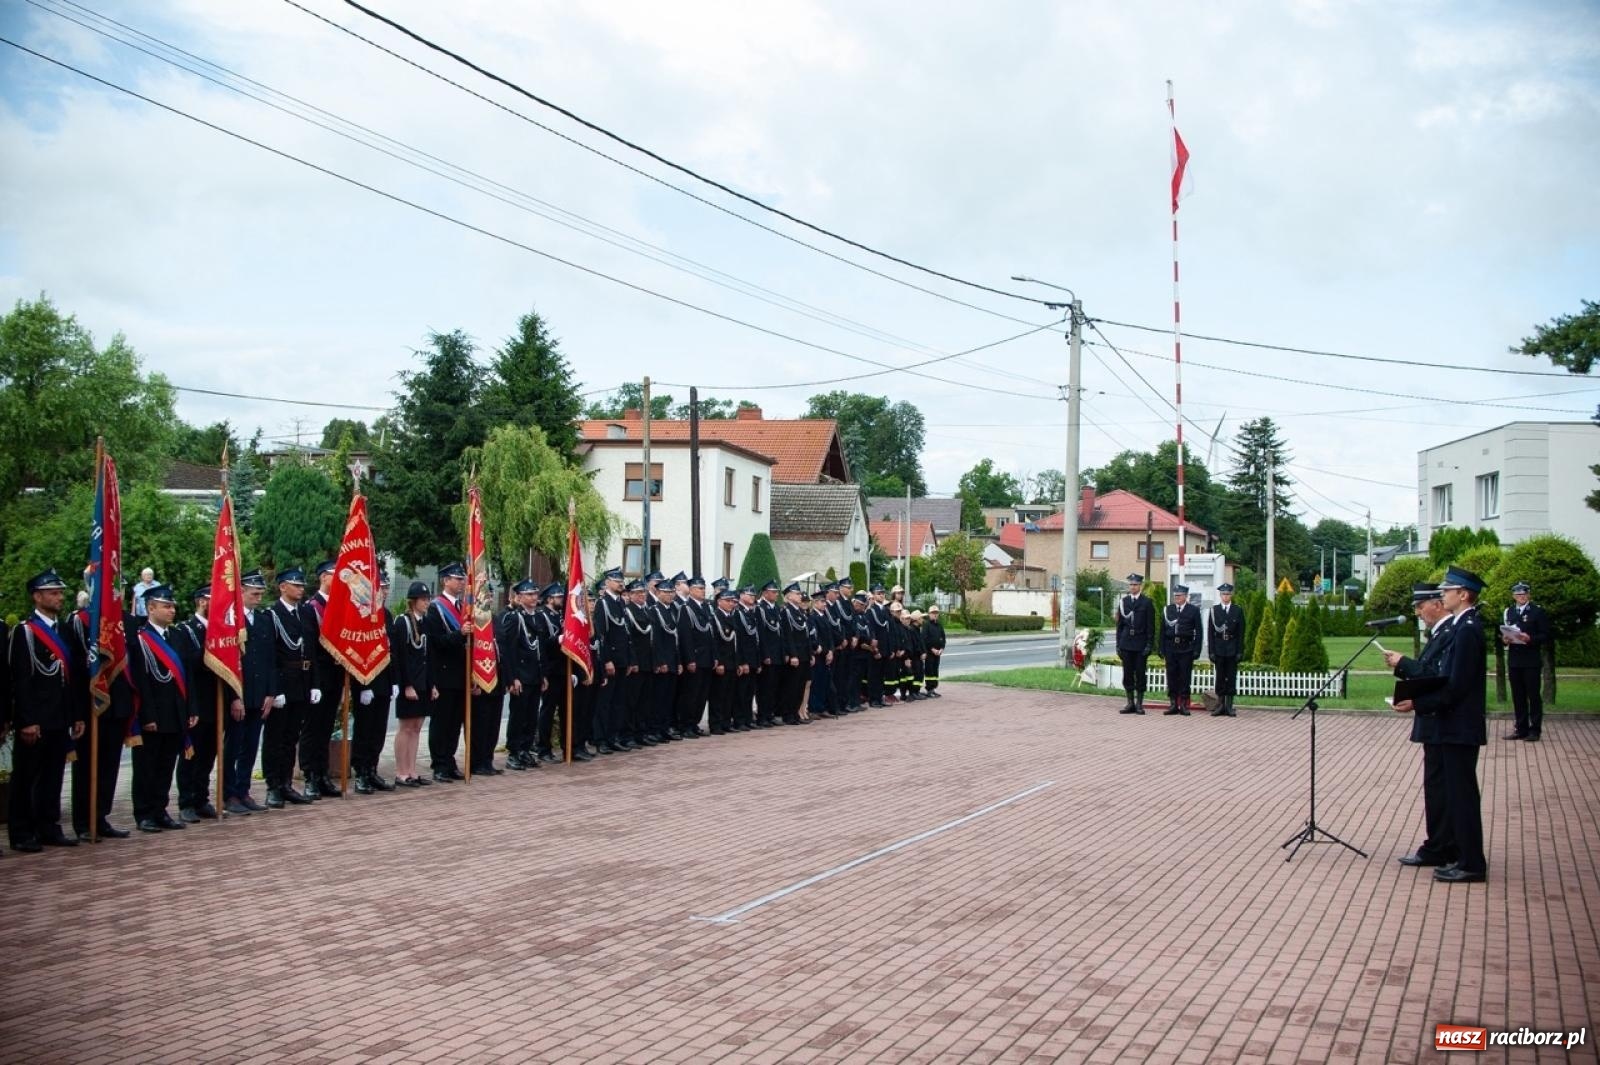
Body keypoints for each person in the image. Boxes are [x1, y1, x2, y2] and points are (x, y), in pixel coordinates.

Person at [1393, 566, 1489, 884]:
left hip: (1459, 727)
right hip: (1451, 725)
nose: (1442, 594)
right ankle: (1453, 851)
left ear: (1463, 595)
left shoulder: (1468, 629)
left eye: (1447, 590)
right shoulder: (1462, 627)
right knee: (1450, 791)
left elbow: (1456, 686)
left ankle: (1471, 861)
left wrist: (1418, 703)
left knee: (1462, 795)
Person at [7, 569, 87, 852]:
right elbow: (21, 680)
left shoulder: (63, 630)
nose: (59, 597)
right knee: (26, 776)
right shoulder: (25, 632)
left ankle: (48, 826)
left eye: (61, 592)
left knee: (53, 776)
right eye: (53, 592)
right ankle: (21, 831)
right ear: (37, 596)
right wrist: (27, 720)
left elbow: (74, 676)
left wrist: (77, 714)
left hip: (60, 716)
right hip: (36, 719)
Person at [1384, 582, 1457, 871]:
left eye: (1420, 606)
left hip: (1442, 720)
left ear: (1437, 604)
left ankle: (1443, 846)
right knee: (1435, 787)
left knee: (1442, 788)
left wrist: (1403, 664)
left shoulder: (1451, 632)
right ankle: (1437, 843)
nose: (1417, 612)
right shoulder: (1441, 632)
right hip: (1433, 720)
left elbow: (1435, 676)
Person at [127, 584, 197, 833]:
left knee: (166, 765)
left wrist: (191, 709)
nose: (172, 610)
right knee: (147, 766)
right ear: (151, 608)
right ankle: (144, 813)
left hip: (176, 712)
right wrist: (146, 715)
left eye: (173, 606)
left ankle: (160, 809)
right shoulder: (140, 638)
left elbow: (187, 675)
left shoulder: (176, 636)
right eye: (166, 606)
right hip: (153, 713)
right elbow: (140, 681)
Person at [67, 581, 133, 840]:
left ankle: (101, 816)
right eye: (113, 587)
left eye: (121, 588)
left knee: (109, 765)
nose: (118, 592)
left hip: (117, 703)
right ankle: (84, 822)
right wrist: (77, 712)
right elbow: (76, 668)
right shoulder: (80, 621)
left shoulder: (124, 621)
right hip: (91, 703)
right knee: (86, 766)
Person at [224, 569, 275, 814]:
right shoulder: (231, 620)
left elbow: (269, 659)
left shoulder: (263, 619)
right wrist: (234, 696)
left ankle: (243, 790)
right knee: (233, 746)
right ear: (241, 591)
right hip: (240, 695)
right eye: (254, 593)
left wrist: (270, 693)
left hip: (259, 694)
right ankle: (229, 793)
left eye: (261, 593)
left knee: (251, 746)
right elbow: (228, 662)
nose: (259, 596)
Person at [263, 568, 316, 807]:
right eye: (295, 585)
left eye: (302, 585)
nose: (301, 589)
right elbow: (271, 656)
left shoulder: (304, 613)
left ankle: (286, 783)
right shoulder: (271, 615)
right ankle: (273, 785)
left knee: (292, 736)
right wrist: (275, 690)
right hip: (284, 680)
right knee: (276, 737)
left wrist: (314, 683)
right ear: (282, 587)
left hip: (302, 680)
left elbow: (311, 648)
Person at [173, 585, 221, 822]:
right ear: (203, 602)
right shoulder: (185, 630)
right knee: (191, 754)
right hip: (196, 701)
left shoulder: (222, 630)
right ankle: (186, 801)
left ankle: (201, 798)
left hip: (216, 701)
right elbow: (186, 665)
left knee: (209, 754)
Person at [298, 560, 342, 799]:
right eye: (334, 575)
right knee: (312, 728)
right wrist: (313, 682)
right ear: (323, 577)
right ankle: (309, 775)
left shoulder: (340, 606)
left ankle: (322, 773)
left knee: (326, 726)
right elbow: (311, 649)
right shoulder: (311, 608)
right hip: (319, 674)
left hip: (336, 674)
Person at [351, 572, 397, 794]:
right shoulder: (362, 615)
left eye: (386, 588)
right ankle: (360, 771)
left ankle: (372, 769)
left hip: (385, 680)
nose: (384, 592)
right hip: (367, 681)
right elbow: (359, 652)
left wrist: (395, 681)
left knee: (379, 730)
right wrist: (363, 686)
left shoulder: (386, 614)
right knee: (364, 729)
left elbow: (392, 650)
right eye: (381, 588)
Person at [426, 562, 470, 782]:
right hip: (444, 673)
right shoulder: (436, 608)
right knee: (441, 721)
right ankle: (439, 763)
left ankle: (450, 759)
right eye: (457, 578)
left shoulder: (464, 607)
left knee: (455, 722)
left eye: (462, 579)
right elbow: (436, 643)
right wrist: (460, 635)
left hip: (461, 673)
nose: (461, 582)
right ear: (445, 580)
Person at [390, 581, 437, 787]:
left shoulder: (425, 623)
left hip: (423, 682)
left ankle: (412, 770)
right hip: (409, 682)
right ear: (413, 601)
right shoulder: (403, 622)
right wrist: (406, 684)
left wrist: (432, 684)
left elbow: (429, 655)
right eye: (423, 599)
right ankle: (401, 772)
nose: (427, 603)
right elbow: (399, 656)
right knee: (406, 727)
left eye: (428, 599)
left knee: (417, 727)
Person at [501, 580, 545, 770]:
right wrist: (513, 678)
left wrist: (543, 675)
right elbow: (509, 651)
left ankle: (525, 749)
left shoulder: (537, 618)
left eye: (535, 594)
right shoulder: (514, 618)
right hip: (521, 674)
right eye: (529, 594)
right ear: (519, 597)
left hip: (535, 674)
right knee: (518, 715)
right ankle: (514, 751)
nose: (533, 598)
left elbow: (539, 650)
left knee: (531, 715)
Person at [1502, 580, 1550, 741]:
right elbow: (1505, 630)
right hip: (1515, 659)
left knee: (1533, 695)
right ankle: (1521, 728)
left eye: (1524, 594)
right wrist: (1505, 639)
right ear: (1513, 596)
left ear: (1528, 595)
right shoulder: (1509, 612)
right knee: (1518, 695)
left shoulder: (1537, 612)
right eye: (1518, 594)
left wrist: (1530, 638)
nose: (1521, 596)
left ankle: (1535, 729)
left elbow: (1545, 635)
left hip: (1530, 659)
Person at [647, 575, 682, 744]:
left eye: (672, 592)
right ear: (658, 593)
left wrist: (679, 661)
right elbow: (656, 640)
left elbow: (677, 640)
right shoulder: (654, 611)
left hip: (674, 661)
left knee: (669, 698)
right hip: (663, 662)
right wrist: (660, 662)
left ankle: (665, 727)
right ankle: (656, 729)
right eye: (666, 592)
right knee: (658, 699)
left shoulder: (673, 610)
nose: (670, 595)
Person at [1115, 574, 1156, 714]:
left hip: (1140, 644)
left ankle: (1139, 703)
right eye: (1131, 585)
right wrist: (1118, 644)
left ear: (1140, 586)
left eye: (1135, 585)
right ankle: (1130, 702)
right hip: (1126, 643)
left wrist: (1149, 644)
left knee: (1140, 674)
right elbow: (1119, 626)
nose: (1133, 587)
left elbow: (1151, 626)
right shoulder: (1123, 602)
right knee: (1127, 674)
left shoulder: (1146, 602)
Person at [1160, 585, 1201, 715]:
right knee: (1171, 675)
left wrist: (1196, 649)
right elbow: (1162, 631)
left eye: (1179, 595)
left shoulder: (1193, 610)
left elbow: (1199, 632)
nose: (1177, 598)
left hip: (1186, 647)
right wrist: (1161, 648)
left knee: (1184, 676)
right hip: (1171, 647)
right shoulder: (1168, 609)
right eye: (1175, 596)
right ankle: (1173, 704)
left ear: (1185, 596)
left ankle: (1183, 704)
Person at [1206, 583, 1244, 717]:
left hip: (1232, 648)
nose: (1225, 596)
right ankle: (1220, 705)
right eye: (1223, 594)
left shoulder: (1237, 610)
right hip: (1219, 648)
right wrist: (1211, 651)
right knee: (1220, 677)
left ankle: (1229, 706)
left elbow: (1240, 633)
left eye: (1228, 594)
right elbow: (1210, 633)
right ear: (1220, 595)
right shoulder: (1214, 610)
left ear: (1231, 595)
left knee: (1231, 677)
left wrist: (1239, 651)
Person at [923, 604, 947, 698]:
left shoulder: (939, 625)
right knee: (929, 671)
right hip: (930, 653)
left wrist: (941, 648)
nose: (935, 615)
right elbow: (925, 639)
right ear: (929, 614)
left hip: (938, 653)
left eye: (936, 613)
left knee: (935, 670)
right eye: (933, 613)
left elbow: (943, 638)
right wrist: (932, 649)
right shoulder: (926, 625)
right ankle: (929, 689)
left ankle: (934, 688)